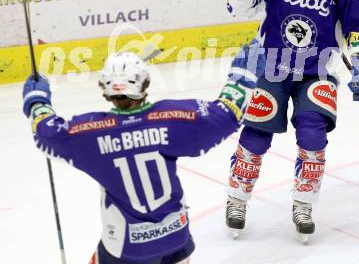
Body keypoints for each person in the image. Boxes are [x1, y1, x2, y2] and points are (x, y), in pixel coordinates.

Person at [22, 44, 265, 264]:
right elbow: (226, 114)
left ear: (105, 88)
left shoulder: (92, 133)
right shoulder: (170, 119)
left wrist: (37, 101)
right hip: (175, 237)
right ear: (145, 83)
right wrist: (241, 79)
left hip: (127, 247)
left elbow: (47, 133)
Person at [225, 0, 359, 243]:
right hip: (272, 66)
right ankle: (236, 198)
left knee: (312, 136)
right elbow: (236, 8)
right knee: (256, 134)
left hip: (317, 70)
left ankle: (304, 204)